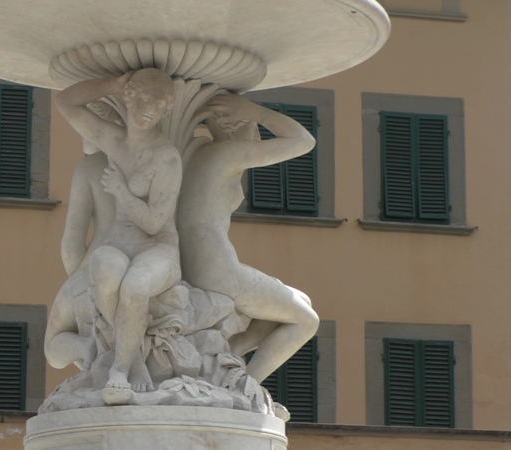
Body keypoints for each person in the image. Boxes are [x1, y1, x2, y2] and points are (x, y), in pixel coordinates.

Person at [55, 69, 183, 398]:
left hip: (159, 248)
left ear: (167, 110)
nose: (150, 107)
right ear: (129, 96)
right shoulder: (112, 140)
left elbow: (156, 222)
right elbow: (65, 101)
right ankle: (134, 355)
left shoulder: (166, 157)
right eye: (143, 96)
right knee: (106, 271)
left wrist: (121, 191)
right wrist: (112, 84)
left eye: (159, 103)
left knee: (136, 285)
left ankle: (121, 368)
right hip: (119, 241)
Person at [177, 90, 319, 384]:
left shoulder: (199, 154)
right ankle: (245, 387)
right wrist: (256, 110)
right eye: (250, 123)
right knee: (307, 321)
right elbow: (304, 141)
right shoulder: (226, 154)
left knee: (298, 300)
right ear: (231, 124)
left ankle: (233, 352)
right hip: (216, 270)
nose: (256, 130)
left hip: (198, 264)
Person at [44, 148, 115, 370]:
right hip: (151, 265)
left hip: (94, 267)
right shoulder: (162, 159)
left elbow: (71, 246)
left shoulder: (92, 166)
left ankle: (85, 347)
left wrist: (77, 278)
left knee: (52, 345)